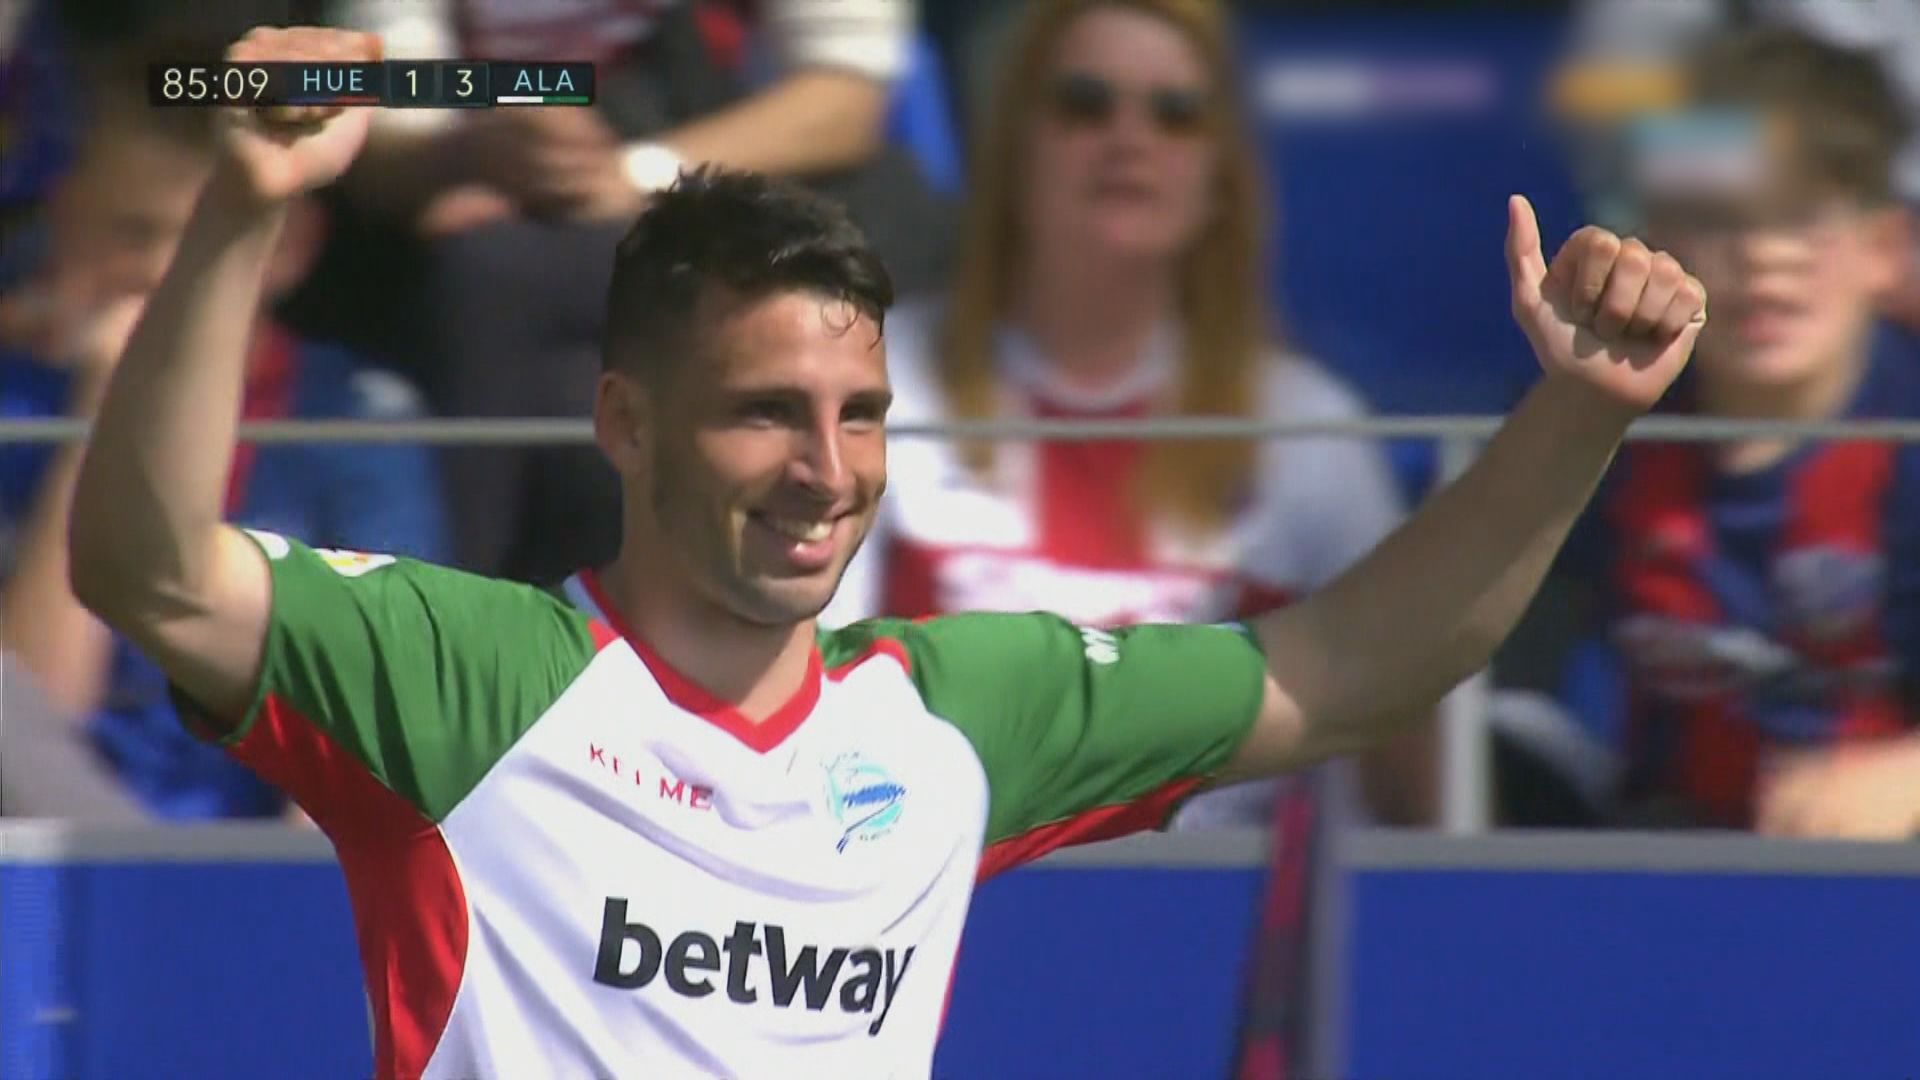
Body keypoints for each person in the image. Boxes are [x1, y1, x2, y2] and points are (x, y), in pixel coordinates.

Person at [65, 26, 1704, 1080]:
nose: (827, 472)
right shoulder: (466, 675)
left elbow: (1350, 672)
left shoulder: (955, 712)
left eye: (861, 416)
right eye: (764, 414)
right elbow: (148, 570)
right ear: (624, 422)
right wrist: (242, 208)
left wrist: (1579, 414)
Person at [823, 0, 1432, 832]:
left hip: (1224, 906)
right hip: (939, 885)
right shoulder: (876, 381)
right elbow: (814, 706)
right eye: (1085, 104)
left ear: (1220, 176)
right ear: (1015, 147)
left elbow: (1414, 790)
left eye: (1177, 113)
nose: (1128, 138)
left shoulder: (1311, 432)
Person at [1515, 28, 1920, 837]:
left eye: (1803, 219)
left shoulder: (1907, 444)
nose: (1763, 256)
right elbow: (1476, 671)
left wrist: (1907, 775)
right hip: (1664, 863)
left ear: (1885, 250)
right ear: (1655, 246)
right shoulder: (1600, 430)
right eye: (1720, 219)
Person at [0, 92, 448, 820]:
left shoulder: (356, 418)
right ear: (66, 222)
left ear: (291, 246)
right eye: (131, 233)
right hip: (62, 837)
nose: (158, 273)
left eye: (197, 243)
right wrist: (103, 414)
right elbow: (36, 707)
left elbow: (382, 703)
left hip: (267, 853)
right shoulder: (19, 412)